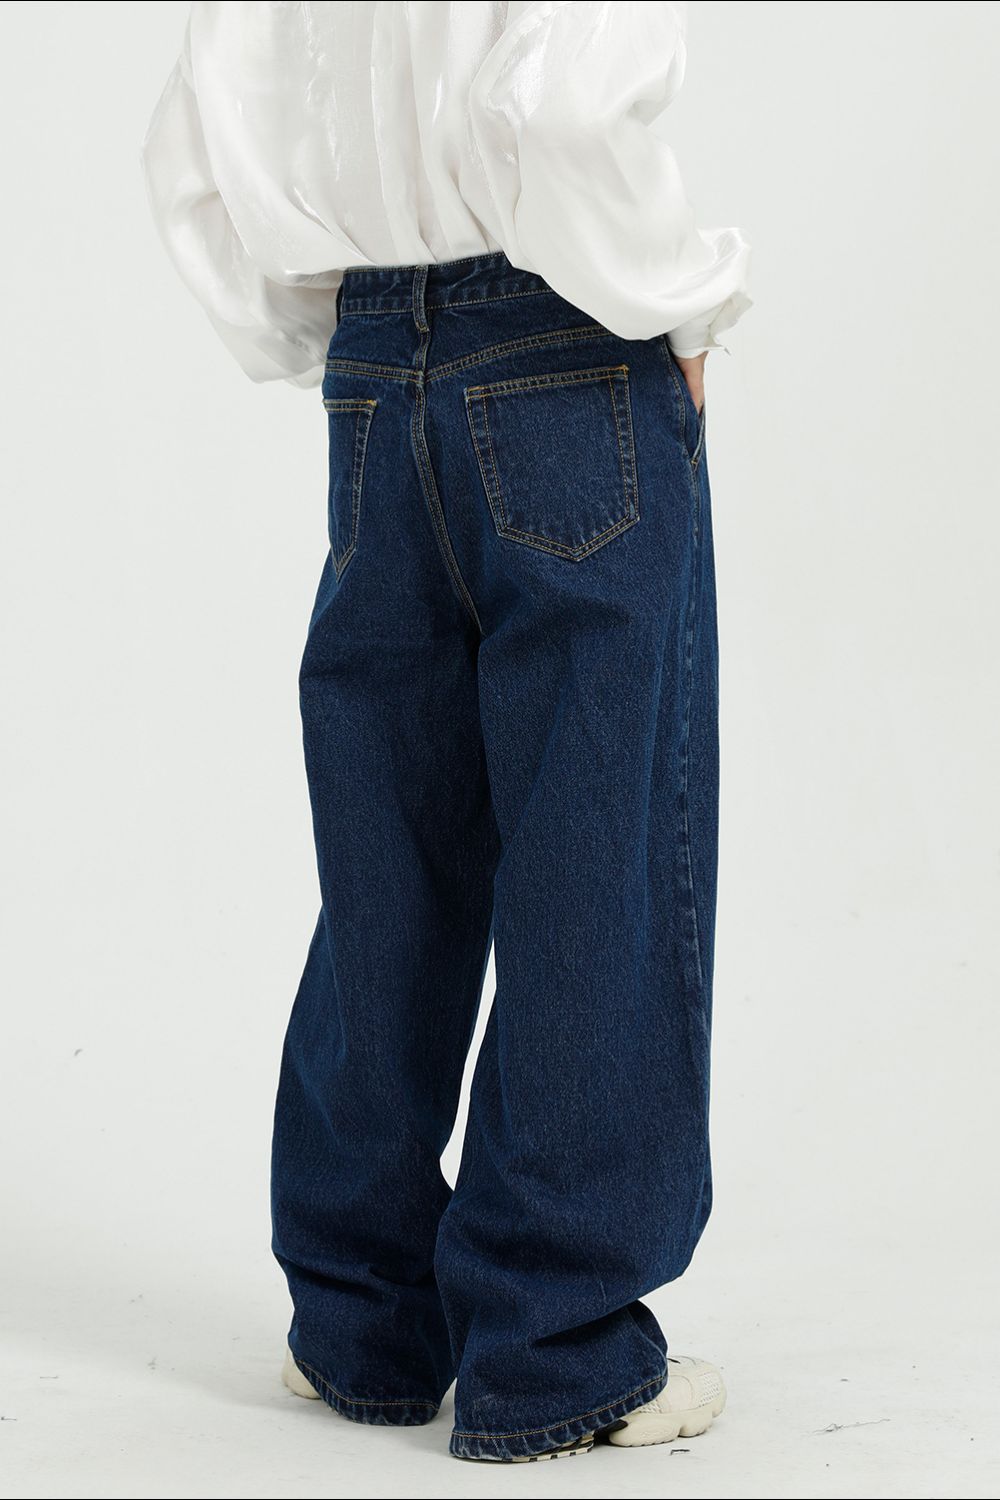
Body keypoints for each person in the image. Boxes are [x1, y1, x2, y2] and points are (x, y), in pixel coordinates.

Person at [141, 0, 751, 1465]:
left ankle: (358, 1320)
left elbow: (197, 138)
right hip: (566, 348)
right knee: (593, 854)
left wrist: (347, 327)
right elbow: (564, 101)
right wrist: (680, 297)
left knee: (387, 854)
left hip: (373, 371)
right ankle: (554, 1350)